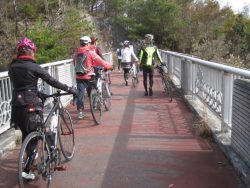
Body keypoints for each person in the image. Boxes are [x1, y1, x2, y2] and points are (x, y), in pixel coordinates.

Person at [8, 37, 78, 180]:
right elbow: (52, 81)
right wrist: (69, 89)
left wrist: (41, 94)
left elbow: (23, 87)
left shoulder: (12, 67)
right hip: (31, 105)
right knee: (43, 131)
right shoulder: (33, 66)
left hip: (17, 106)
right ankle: (31, 168)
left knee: (27, 134)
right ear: (31, 52)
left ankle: (30, 160)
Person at [73, 36, 113, 119]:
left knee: (80, 94)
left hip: (79, 77)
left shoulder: (75, 54)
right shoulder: (90, 52)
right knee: (94, 88)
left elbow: (75, 63)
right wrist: (110, 66)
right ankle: (94, 103)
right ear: (87, 43)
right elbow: (100, 61)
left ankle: (80, 112)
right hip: (89, 76)